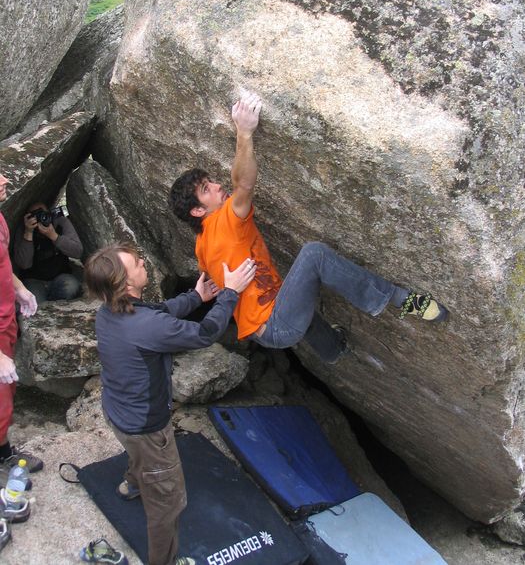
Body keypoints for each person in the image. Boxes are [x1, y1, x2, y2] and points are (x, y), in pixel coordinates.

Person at [169, 89, 448, 364]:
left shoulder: (201, 245)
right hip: (277, 324)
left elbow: (211, 276)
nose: (218, 186)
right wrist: (244, 132)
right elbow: (244, 183)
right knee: (314, 256)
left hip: (264, 329)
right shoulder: (224, 221)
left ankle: (332, 349)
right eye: (207, 189)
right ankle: (402, 300)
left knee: (297, 286)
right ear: (198, 210)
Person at [84, 242, 256, 565]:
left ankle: (132, 485)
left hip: (117, 411)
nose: (143, 261)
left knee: (135, 453)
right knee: (169, 503)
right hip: (147, 428)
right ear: (124, 283)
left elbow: (157, 314)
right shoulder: (144, 327)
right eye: (136, 262)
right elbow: (205, 332)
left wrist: (196, 297)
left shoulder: (108, 311)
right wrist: (230, 292)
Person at [0, 172, 43, 475]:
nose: (4, 179)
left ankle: (2, 452)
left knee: (5, 397)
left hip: (5, 319)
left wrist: (19, 289)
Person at [13, 201, 83, 304]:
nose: (41, 217)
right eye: (35, 215)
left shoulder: (59, 222)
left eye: (43, 213)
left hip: (60, 276)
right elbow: (24, 264)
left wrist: (54, 236)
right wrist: (28, 233)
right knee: (35, 302)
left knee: (71, 287)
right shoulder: (24, 229)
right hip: (34, 279)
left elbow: (77, 252)